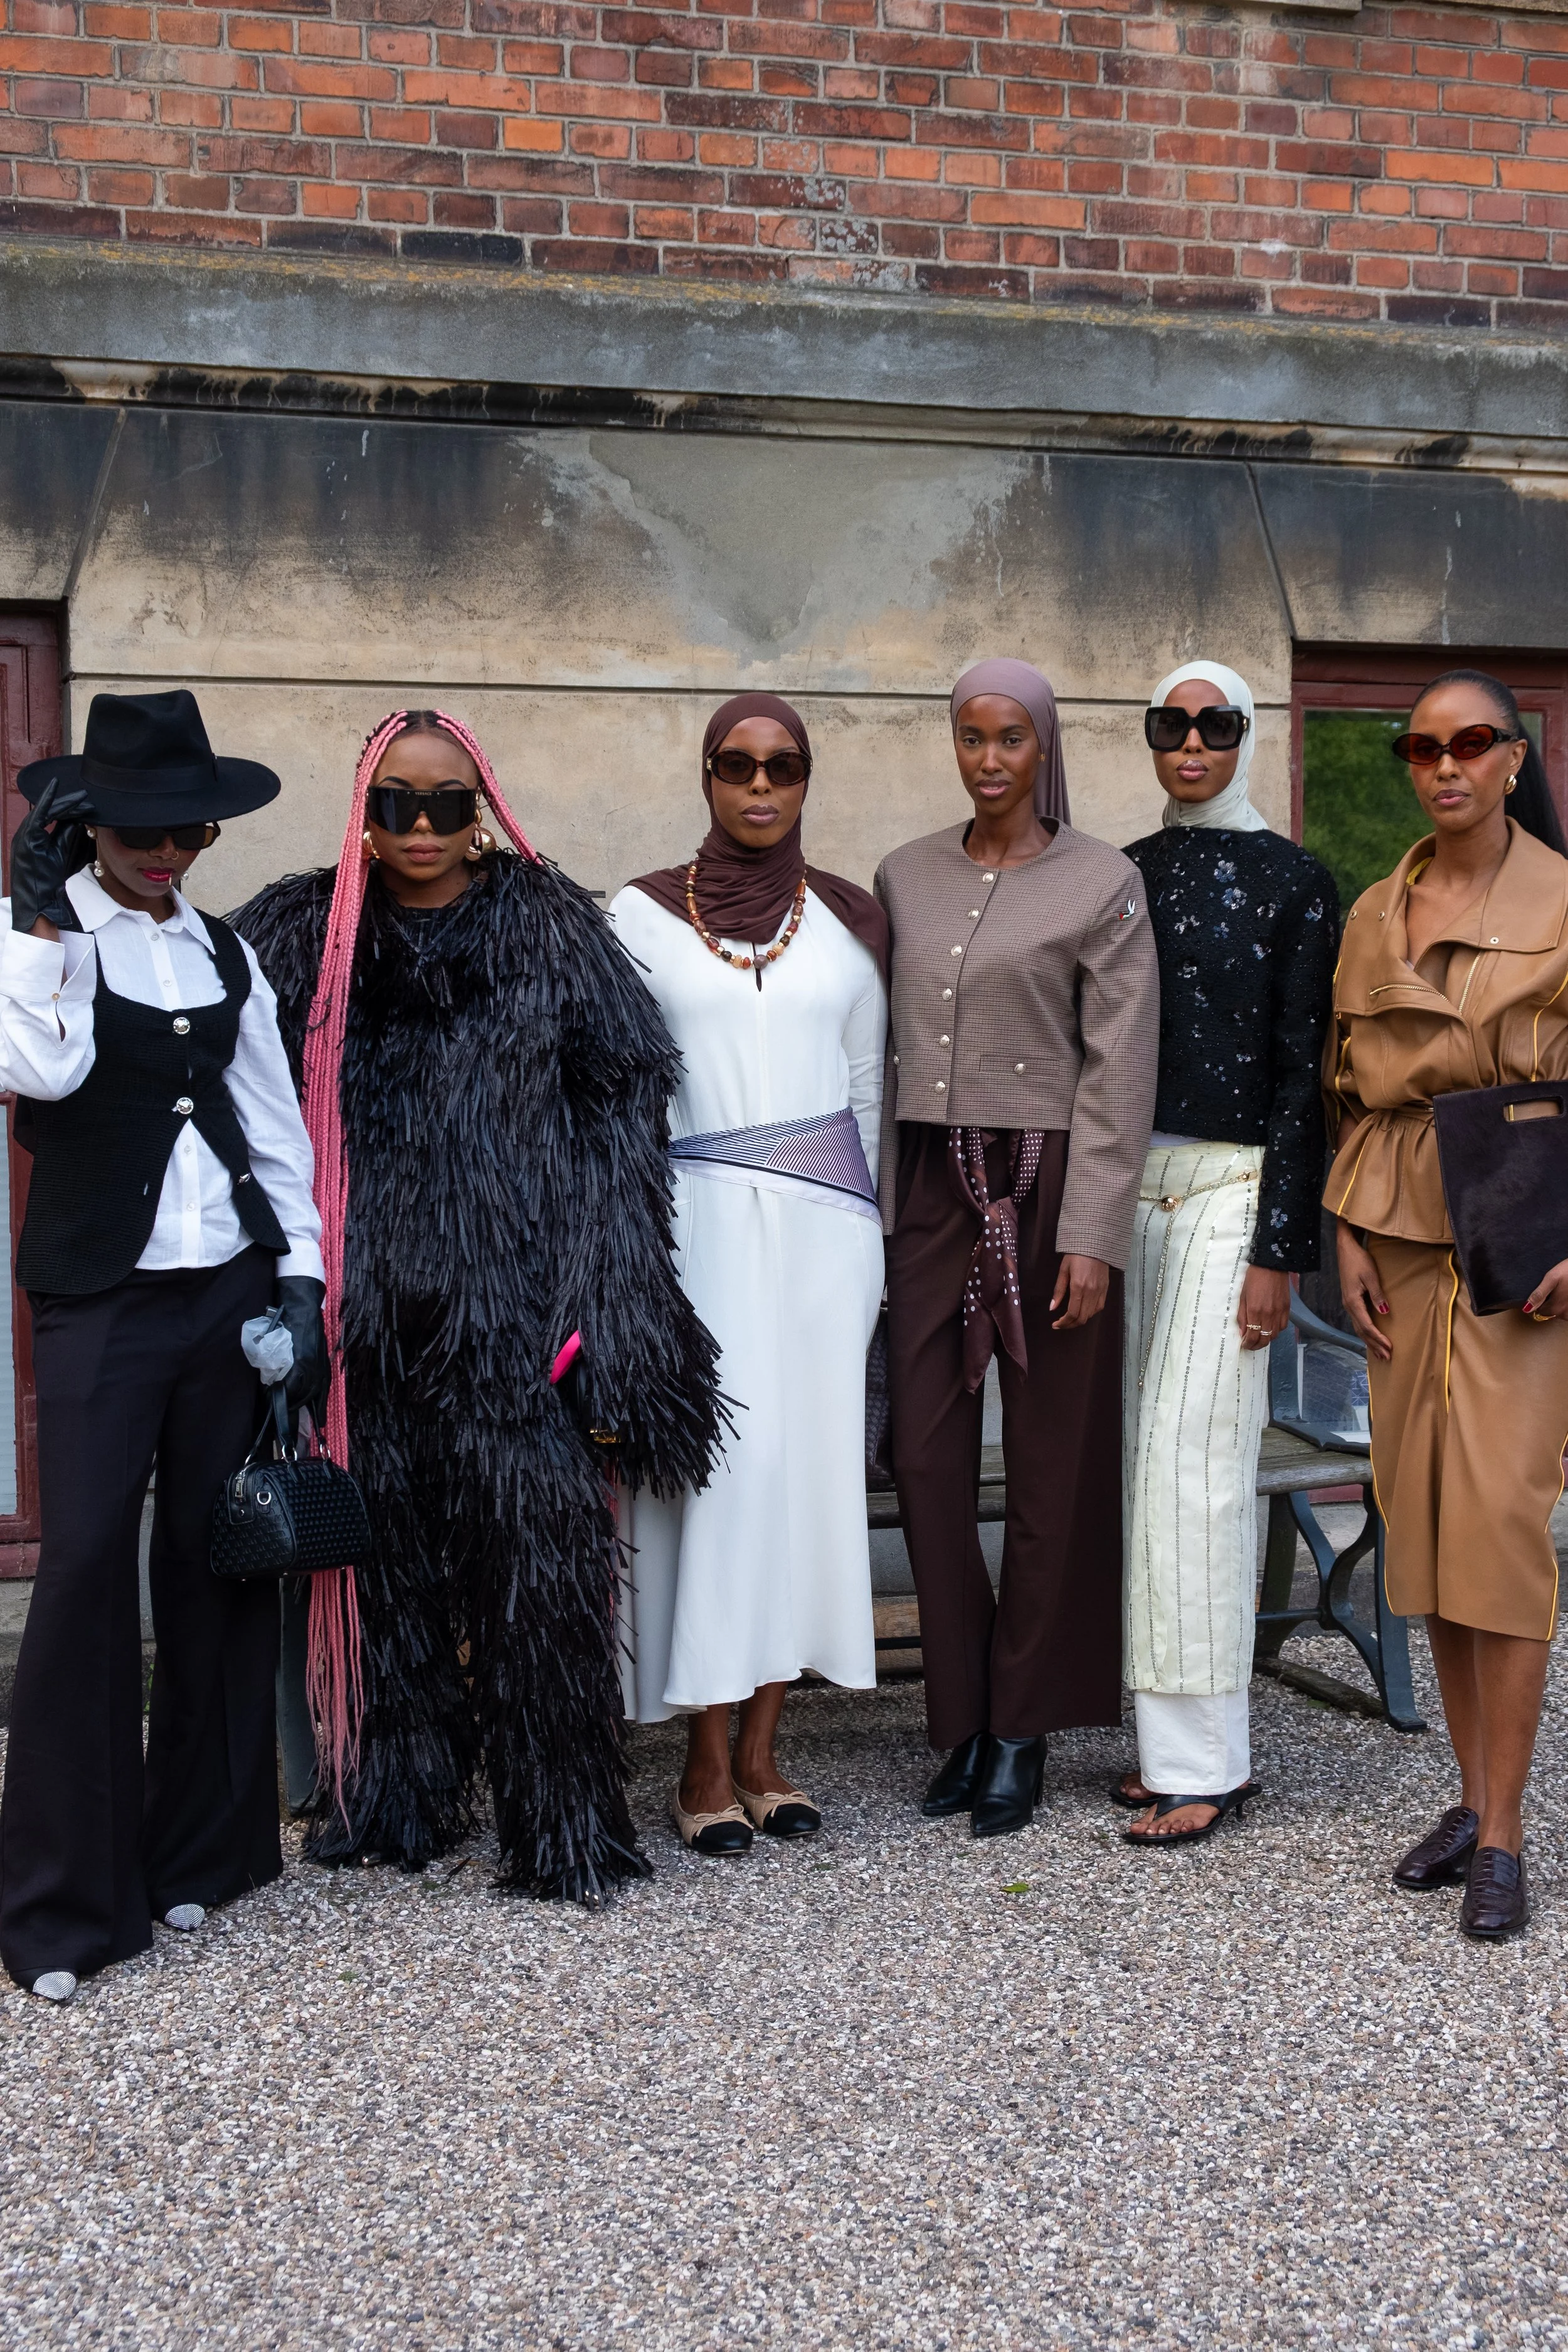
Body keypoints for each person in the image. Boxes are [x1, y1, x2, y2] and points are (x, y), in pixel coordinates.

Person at [233, 707, 724, 1904]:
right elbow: (235, 1112)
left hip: (514, 1325)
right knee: (377, 1570)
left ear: (483, 805)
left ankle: (560, 1820)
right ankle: (392, 1798)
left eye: (446, 803)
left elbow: (622, 1114)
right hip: (359, 1329)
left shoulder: (550, 925)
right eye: (394, 802)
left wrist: (605, 1302)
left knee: (540, 1580)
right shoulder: (300, 935)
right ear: (364, 805)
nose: (419, 827)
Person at [0, 689, 327, 2003]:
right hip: (102, 1303)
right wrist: (34, 916)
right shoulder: (43, 938)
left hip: (227, 1295)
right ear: (83, 825)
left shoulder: (224, 953)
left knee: (217, 1568)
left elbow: (273, 1122)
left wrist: (303, 1284)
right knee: (82, 1579)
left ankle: (201, 1853)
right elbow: (43, 1074)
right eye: (138, 826)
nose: (167, 849)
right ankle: (62, 1908)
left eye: (187, 826)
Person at [876, 659, 1159, 1839]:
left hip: (1049, 1192)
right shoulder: (906, 874)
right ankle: (966, 1706)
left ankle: (1025, 1721)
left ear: (1045, 747)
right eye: (972, 737)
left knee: (1051, 1468)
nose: (990, 758)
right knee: (927, 1457)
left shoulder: (1104, 880)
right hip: (940, 1186)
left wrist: (1091, 1232)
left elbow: (1120, 1065)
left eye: (1012, 739)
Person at [612, 693, 887, 1856]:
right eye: (737, 765)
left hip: (829, 1243)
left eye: (784, 766)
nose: (760, 785)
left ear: (808, 778)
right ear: (708, 776)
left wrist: (876, 1253)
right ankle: (702, 1758)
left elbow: (868, 1093)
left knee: (800, 1488)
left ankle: (771, 1753)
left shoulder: (852, 920)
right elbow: (613, 1093)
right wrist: (626, 1257)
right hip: (695, 1233)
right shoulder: (633, 916)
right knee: (719, 1486)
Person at [1327, 669, 1568, 1942]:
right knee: (1420, 1526)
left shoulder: (1562, 902)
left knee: (1495, 1526)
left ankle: (1508, 1835)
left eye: (1470, 742)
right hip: (1398, 1229)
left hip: (1525, 1233)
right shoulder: (1375, 908)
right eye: (1418, 747)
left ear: (1514, 758)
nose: (1444, 764)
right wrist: (1345, 1232)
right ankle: (1471, 1803)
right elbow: (1348, 1090)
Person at [1116, 661, 1337, 1846]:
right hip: (1125, 1191)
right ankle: (1162, 1746)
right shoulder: (1120, 874)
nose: (1192, 742)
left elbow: (1309, 1080)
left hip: (1235, 1189)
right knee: (1137, 1468)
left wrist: (1281, 1251)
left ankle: (1211, 1759)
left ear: (1249, 736)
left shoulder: (1299, 881)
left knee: (1193, 1467)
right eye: (1171, 723)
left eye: (1216, 724)